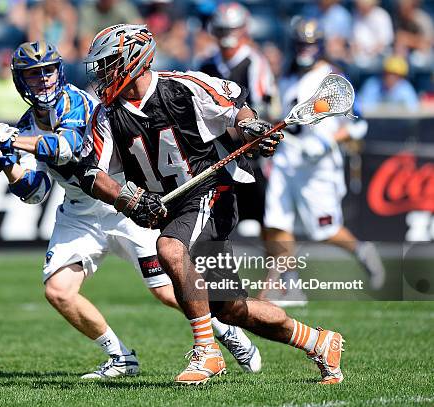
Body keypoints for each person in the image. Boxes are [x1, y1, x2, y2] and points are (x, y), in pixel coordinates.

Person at [0, 40, 261, 380]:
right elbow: (36, 191)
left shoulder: (77, 103)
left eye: (48, 71)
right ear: (21, 81)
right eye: (34, 75)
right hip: (79, 212)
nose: (44, 80)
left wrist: (9, 140)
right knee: (58, 291)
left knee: (166, 290)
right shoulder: (25, 126)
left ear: (60, 72)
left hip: (124, 200)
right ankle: (120, 357)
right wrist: (1, 161)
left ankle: (224, 331)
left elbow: (69, 150)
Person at [73, 24, 345, 385]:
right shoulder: (107, 114)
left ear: (134, 59)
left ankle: (207, 352)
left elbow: (236, 111)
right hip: (172, 206)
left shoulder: (182, 86)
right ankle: (320, 342)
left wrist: (250, 130)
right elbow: (93, 175)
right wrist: (128, 200)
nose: (104, 74)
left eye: (109, 63)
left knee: (168, 249)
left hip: (210, 192)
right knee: (230, 308)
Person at [261, 19, 386, 305]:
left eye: (310, 44)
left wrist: (328, 141)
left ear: (318, 45)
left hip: (318, 166)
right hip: (287, 158)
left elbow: (358, 124)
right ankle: (289, 285)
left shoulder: (331, 78)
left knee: (324, 230)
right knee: (276, 221)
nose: (305, 50)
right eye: (301, 44)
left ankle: (362, 250)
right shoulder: (287, 77)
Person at [198, 2, 279, 232]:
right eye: (222, 30)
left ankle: (277, 266)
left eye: (231, 29)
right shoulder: (206, 64)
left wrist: (238, 128)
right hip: (214, 149)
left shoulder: (255, 62)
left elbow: (263, 109)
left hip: (249, 150)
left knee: (263, 219)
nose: (226, 36)